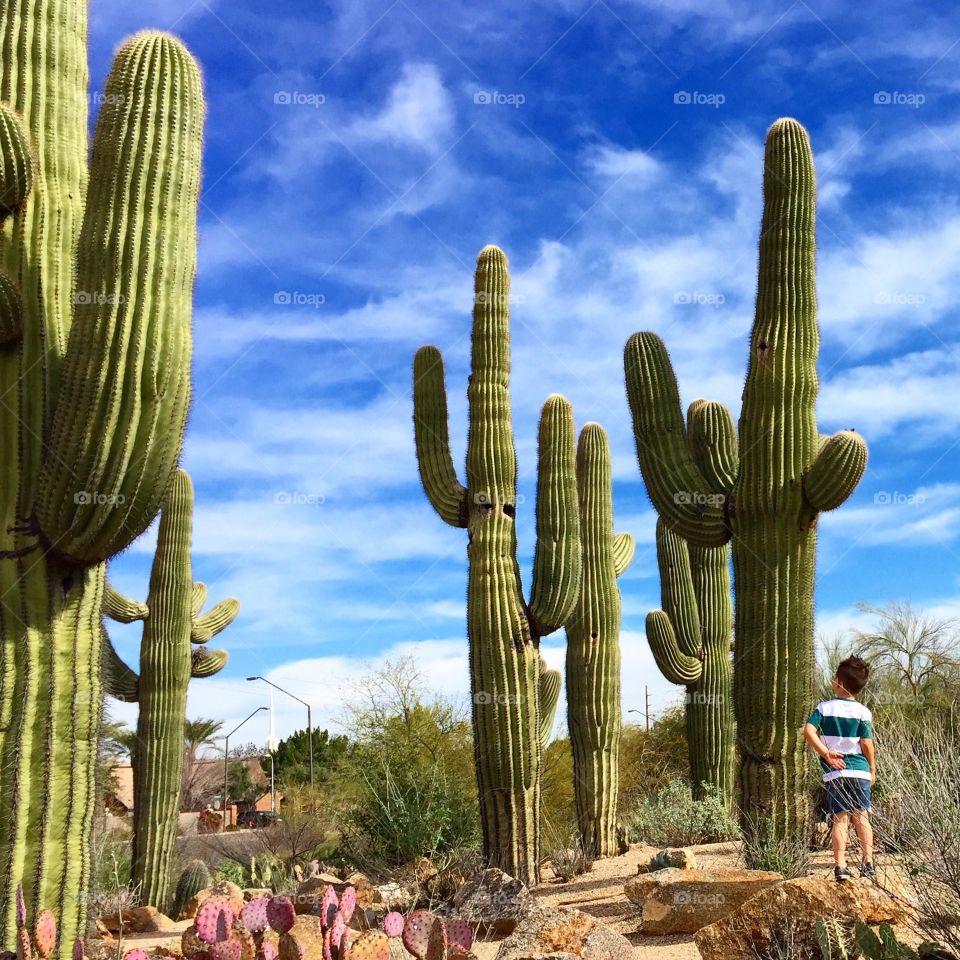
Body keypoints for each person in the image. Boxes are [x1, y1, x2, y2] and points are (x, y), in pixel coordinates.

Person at [803, 655, 876, 882]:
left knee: (840, 818)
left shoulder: (824, 708)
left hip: (836, 772)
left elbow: (808, 731)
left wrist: (826, 753)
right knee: (861, 816)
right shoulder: (864, 712)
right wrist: (872, 769)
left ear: (838, 681)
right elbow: (866, 743)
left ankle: (841, 866)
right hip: (860, 770)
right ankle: (868, 862)